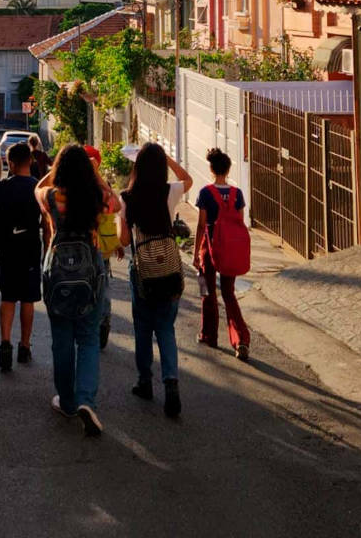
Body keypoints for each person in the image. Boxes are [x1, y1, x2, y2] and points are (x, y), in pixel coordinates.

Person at [36, 144, 120, 436]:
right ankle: (86, 399)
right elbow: (117, 204)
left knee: (62, 339)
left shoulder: (51, 196)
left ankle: (68, 402)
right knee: (87, 338)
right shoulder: (96, 197)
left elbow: (38, 187)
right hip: (91, 269)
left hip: (58, 270)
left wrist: (54, 170)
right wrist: (95, 175)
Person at [119, 143, 192, 417]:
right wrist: (169, 159)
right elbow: (188, 179)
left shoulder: (128, 197)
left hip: (143, 271)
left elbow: (125, 240)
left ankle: (145, 381)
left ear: (137, 167)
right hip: (169, 268)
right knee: (165, 328)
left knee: (142, 328)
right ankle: (171, 383)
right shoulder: (169, 191)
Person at [0, 142, 42, 371]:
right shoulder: (37, 188)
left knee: (8, 297)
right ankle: (24, 347)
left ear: (13, 164)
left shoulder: (1, 186)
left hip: (8, 247)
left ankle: (4, 345)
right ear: (31, 162)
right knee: (28, 299)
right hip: (30, 247)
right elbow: (46, 223)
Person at [193, 148, 251, 361]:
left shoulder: (205, 193)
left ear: (211, 168)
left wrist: (196, 253)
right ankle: (241, 339)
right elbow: (239, 222)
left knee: (206, 290)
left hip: (208, 246)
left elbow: (201, 225)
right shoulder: (238, 194)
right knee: (229, 293)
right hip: (230, 247)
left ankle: (208, 334)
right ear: (228, 169)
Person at [84, 146, 121, 351]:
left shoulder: (76, 188)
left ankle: (98, 322)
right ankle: (102, 321)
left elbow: (115, 207)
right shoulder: (99, 189)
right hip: (95, 249)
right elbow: (115, 205)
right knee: (102, 285)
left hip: (89, 249)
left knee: (96, 286)